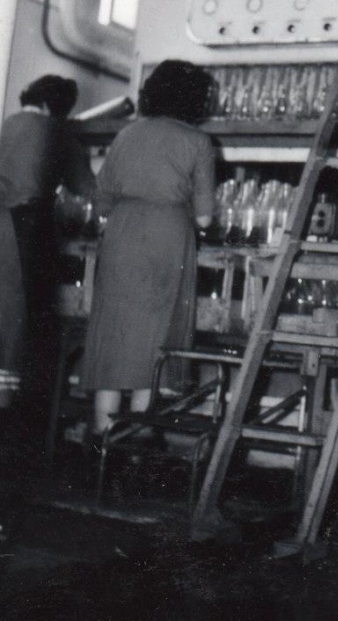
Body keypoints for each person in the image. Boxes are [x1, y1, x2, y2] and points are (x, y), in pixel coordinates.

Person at [81, 60, 216, 437]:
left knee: (112, 337)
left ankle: (101, 444)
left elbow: (102, 200)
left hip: (122, 235)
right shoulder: (197, 141)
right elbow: (205, 218)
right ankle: (136, 447)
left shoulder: (127, 135)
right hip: (168, 239)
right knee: (156, 339)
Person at [0, 75, 95, 428]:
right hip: (24, 231)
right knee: (20, 325)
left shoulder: (8, 123)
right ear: (57, 107)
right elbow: (85, 187)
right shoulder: (56, 132)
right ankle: (14, 417)